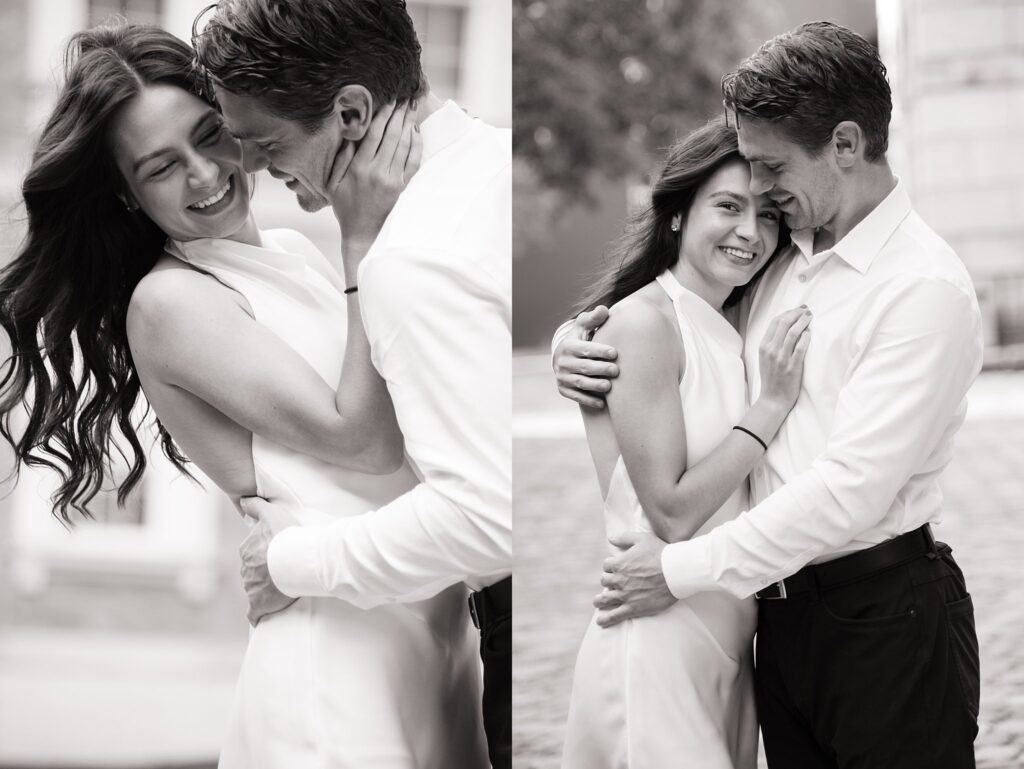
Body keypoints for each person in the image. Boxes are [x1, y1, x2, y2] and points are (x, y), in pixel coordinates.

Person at [0, 21, 487, 769]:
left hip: (427, 627)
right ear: (128, 197)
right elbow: (363, 438)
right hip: (337, 655)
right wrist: (365, 240)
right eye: (162, 167)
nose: (204, 174)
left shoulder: (292, 253)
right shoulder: (169, 304)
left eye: (208, 135)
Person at [554, 22, 982, 768]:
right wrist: (578, 349)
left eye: (770, 165)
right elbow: (673, 328)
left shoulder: (923, 289)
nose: (757, 190)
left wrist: (679, 570)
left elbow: (850, 490)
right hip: (772, 625)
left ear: (845, 144)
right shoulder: (780, 262)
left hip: (883, 615)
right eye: (745, 173)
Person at [192, 2, 512, 766]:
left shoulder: (410, 260)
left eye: (266, 145)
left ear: (352, 111)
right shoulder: (497, 162)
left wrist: (288, 562)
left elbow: (490, 517)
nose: (255, 170)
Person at [559, 120, 808, 768]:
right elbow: (669, 511)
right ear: (675, 216)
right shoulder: (644, 323)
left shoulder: (729, 323)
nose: (750, 232)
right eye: (727, 206)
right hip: (655, 636)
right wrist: (770, 407)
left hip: (724, 637)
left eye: (767, 215)